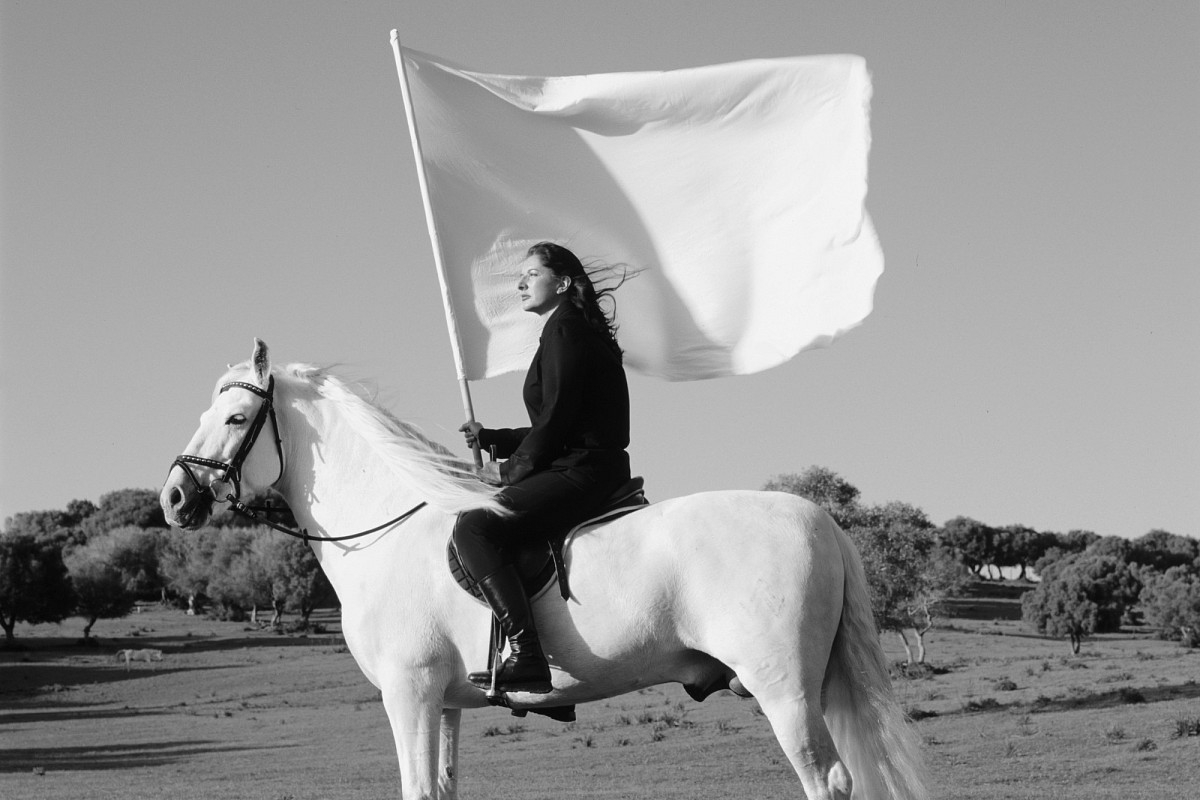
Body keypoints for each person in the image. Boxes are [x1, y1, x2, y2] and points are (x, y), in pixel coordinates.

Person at [455, 241, 631, 694]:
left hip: (583, 471)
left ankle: (526, 652)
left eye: (532, 274)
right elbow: (559, 420)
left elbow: (555, 422)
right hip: (583, 461)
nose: (520, 283)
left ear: (563, 283)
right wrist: (495, 439)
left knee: (474, 528)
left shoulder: (566, 331)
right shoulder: (568, 329)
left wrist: (508, 471)